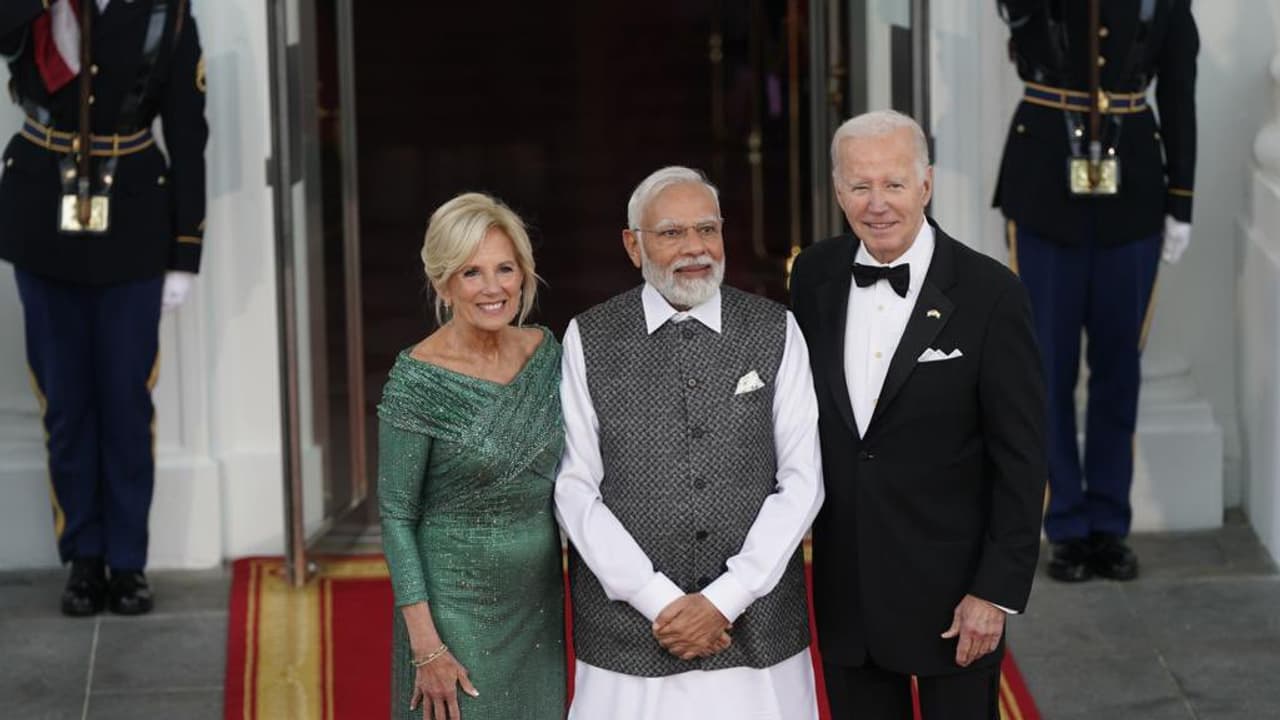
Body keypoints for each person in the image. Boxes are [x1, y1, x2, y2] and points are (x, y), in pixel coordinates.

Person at [789, 110, 1047, 719]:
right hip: (847, 590)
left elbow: (1023, 456)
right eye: (860, 186)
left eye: (894, 184)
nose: (877, 204)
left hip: (955, 598)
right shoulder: (814, 276)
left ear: (926, 185)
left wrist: (995, 591)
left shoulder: (991, 294)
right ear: (837, 191)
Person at [555, 165, 824, 720]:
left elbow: (802, 481)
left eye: (707, 229)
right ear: (633, 245)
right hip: (629, 633)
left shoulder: (776, 328)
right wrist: (659, 601)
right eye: (672, 233)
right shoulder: (589, 336)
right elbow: (575, 489)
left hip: (757, 630)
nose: (695, 248)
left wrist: (726, 599)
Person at [0, 0, 207, 616]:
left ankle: (127, 562)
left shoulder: (165, 13)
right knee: (64, 404)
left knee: (123, 401)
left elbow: (189, 131)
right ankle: (83, 559)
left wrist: (185, 252)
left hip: (135, 223)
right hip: (42, 218)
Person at [992, 0, 1199, 582]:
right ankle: (1067, 524)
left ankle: (1109, 523)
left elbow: (1178, 92)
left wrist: (1181, 199)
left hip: (1132, 194)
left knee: (1118, 367)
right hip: (1044, 190)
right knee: (1048, 367)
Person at [377, 192, 567, 720]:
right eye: (471, 273)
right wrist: (426, 645)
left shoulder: (546, 354)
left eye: (505, 268)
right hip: (452, 613)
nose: (493, 288)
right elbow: (396, 516)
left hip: (538, 606)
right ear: (442, 283)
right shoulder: (417, 378)